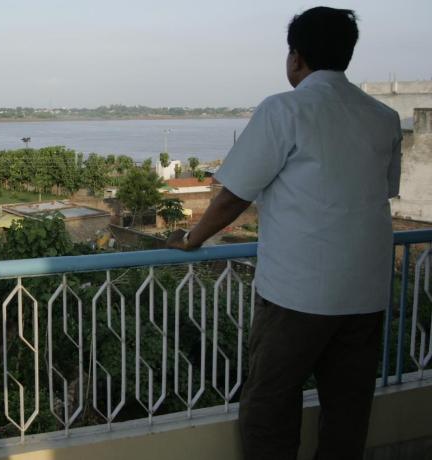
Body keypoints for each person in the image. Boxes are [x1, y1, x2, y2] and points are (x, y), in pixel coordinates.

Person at [166, 7, 402, 459]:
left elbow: (234, 196)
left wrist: (192, 239)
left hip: (297, 295)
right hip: (367, 293)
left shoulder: (284, 109)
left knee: (270, 407)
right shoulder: (383, 117)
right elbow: (381, 192)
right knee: (348, 410)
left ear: (296, 58)